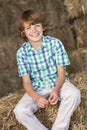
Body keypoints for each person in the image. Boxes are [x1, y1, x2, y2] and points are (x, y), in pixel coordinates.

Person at [14, 9, 81, 130]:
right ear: (23, 32)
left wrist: (56, 90)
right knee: (19, 111)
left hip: (58, 84)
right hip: (37, 88)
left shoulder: (55, 44)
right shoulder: (21, 53)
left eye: (37, 26)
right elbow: (26, 82)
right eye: (28, 28)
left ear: (43, 27)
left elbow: (61, 73)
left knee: (74, 94)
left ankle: (59, 128)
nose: (34, 31)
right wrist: (36, 97)